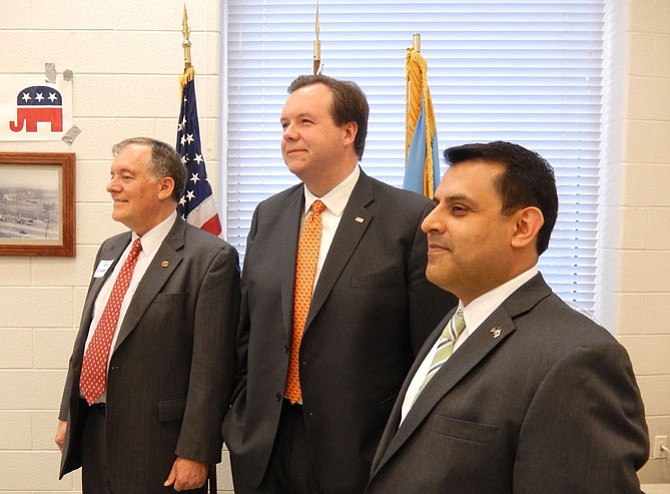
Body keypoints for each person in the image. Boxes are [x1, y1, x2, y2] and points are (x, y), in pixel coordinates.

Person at [366, 141, 650, 493]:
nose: (428, 222)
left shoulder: (577, 361)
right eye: (436, 205)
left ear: (522, 227)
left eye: (458, 209)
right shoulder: (456, 324)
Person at [222, 74, 457, 494]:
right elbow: (248, 333)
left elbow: (430, 352)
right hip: (265, 446)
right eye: (284, 125)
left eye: (305, 122)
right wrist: (240, 418)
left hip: (359, 454)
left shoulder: (409, 217)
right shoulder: (268, 215)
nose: (290, 134)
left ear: (349, 131)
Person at [55, 137, 241, 493]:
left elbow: (213, 366)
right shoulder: (112, 249)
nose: (112, 186)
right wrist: (70, 411)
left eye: (125, 176)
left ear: (164, 186)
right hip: (95, 430)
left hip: (161, 446)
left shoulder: (210, 258)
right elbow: (90, 337)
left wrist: (196, 452)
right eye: (113, 175)